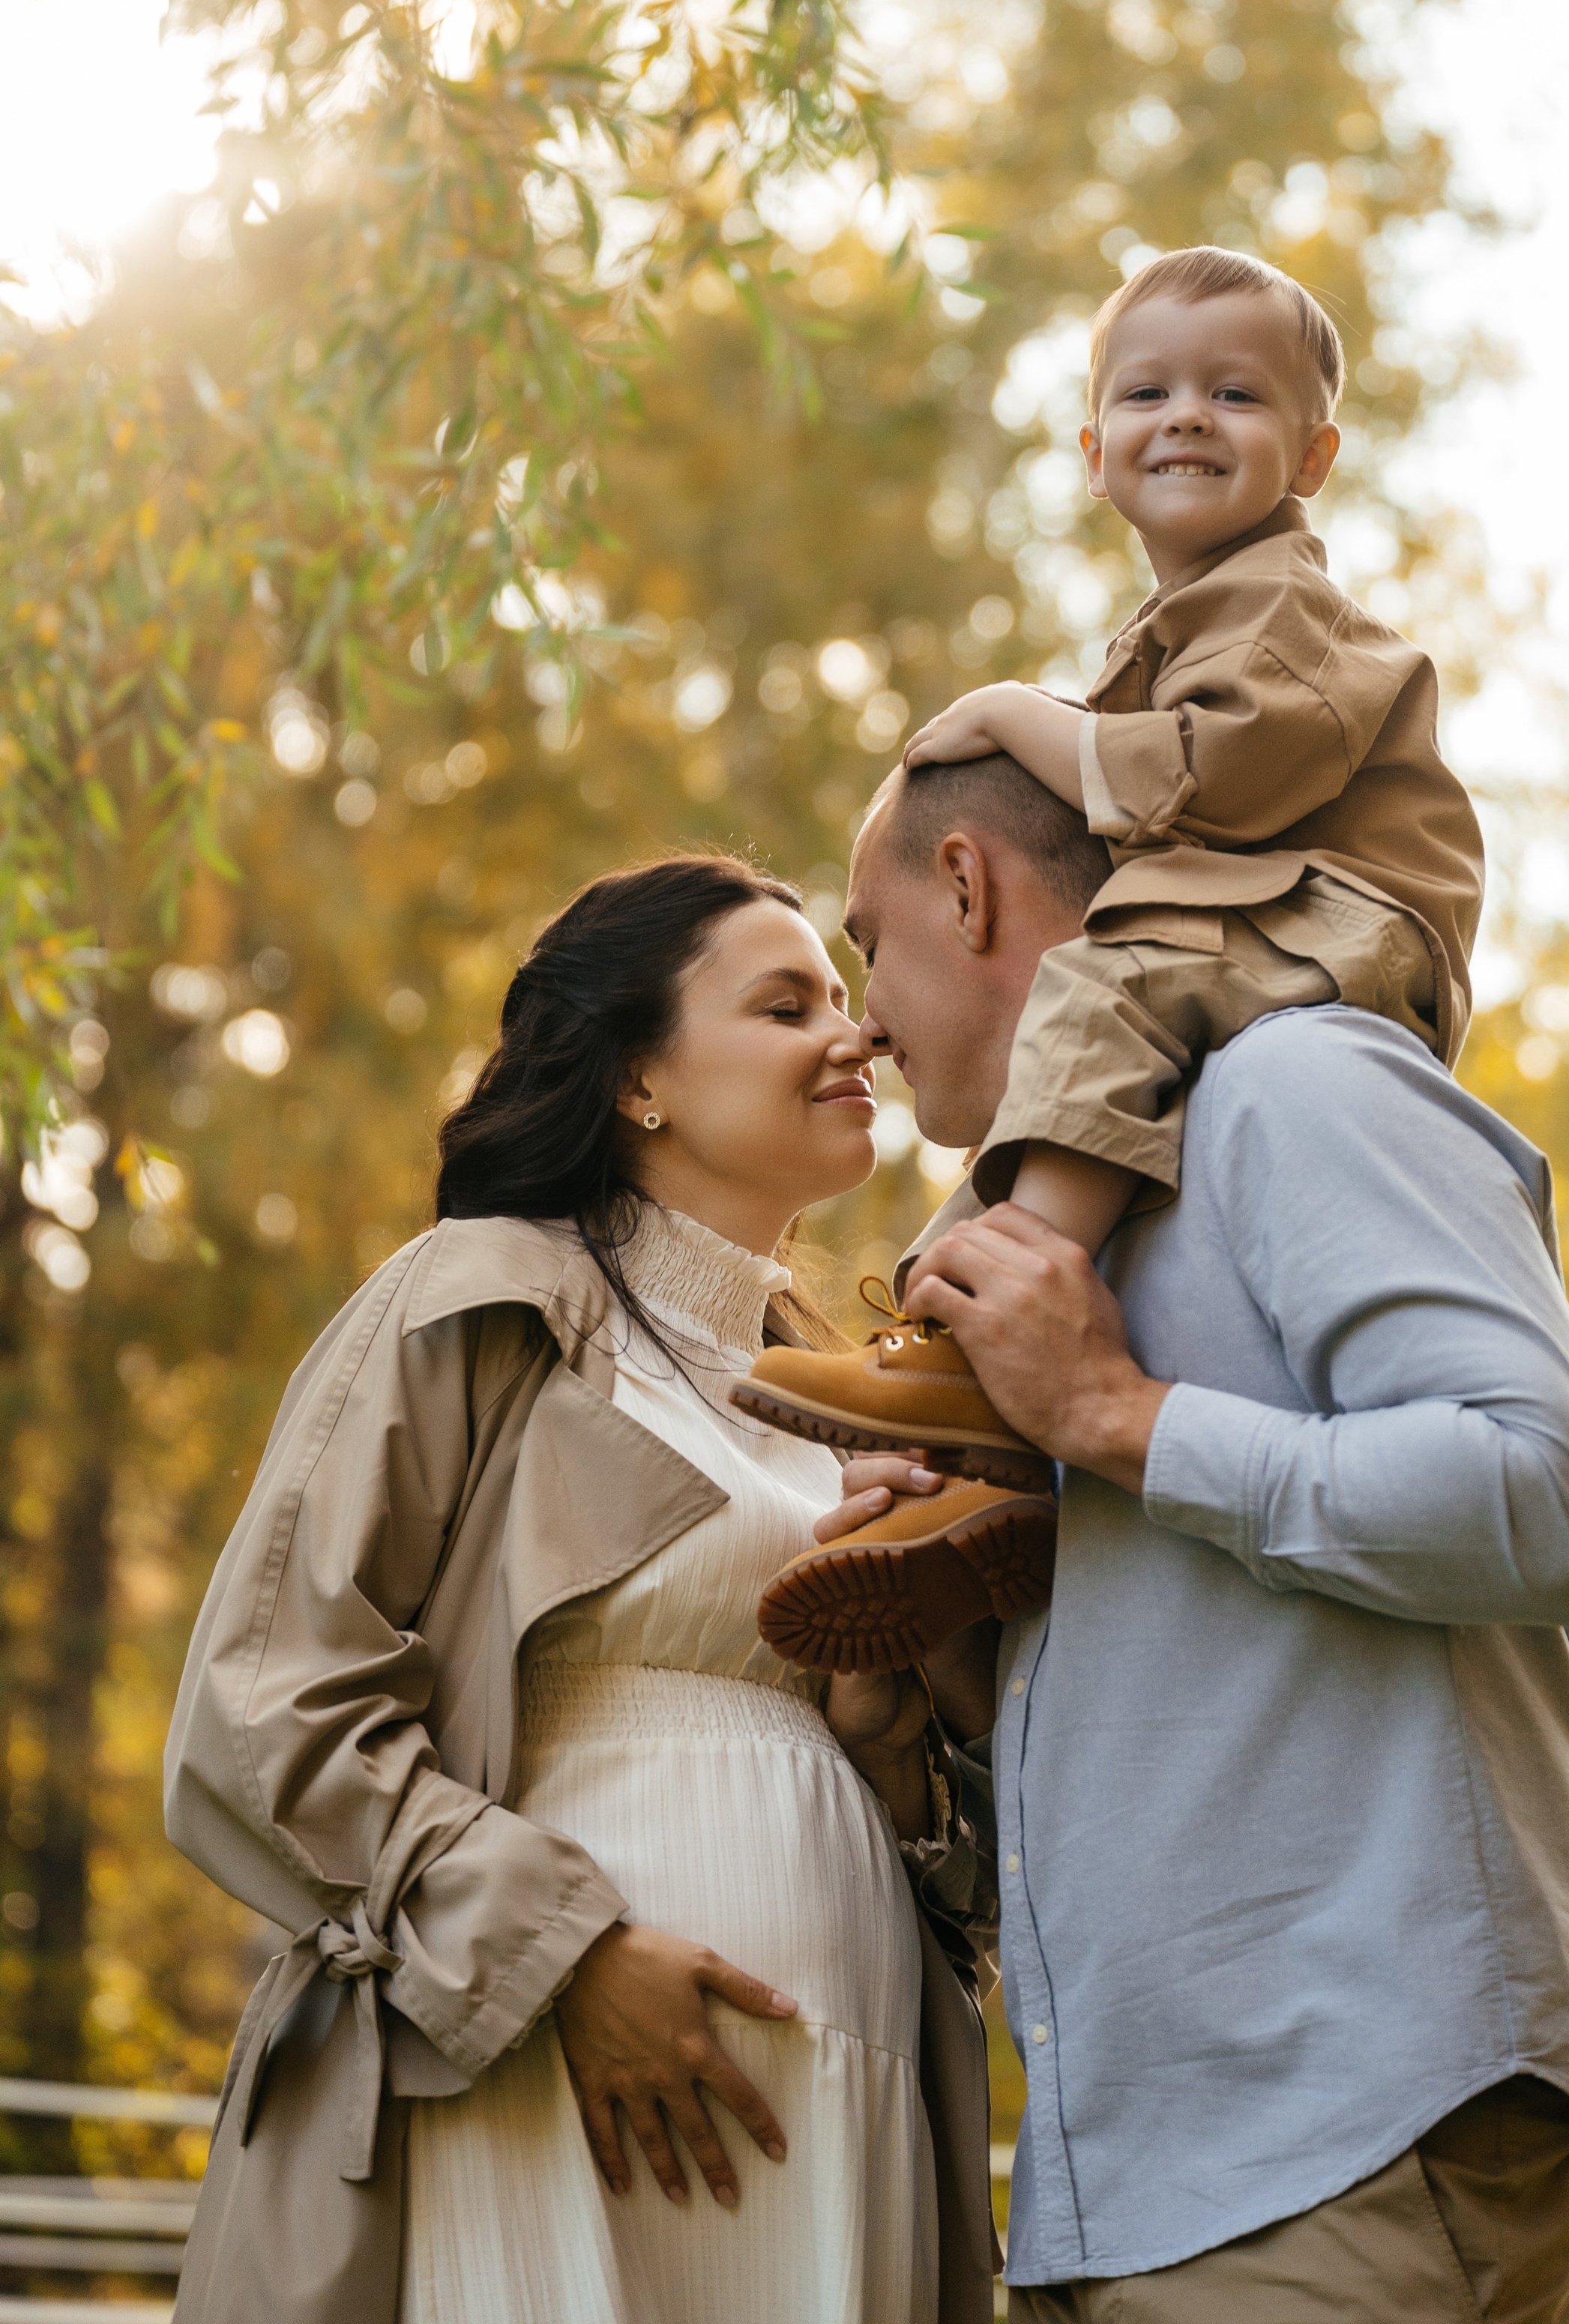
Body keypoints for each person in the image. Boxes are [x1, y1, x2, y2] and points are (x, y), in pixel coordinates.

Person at [800, 755, 1569, 2321]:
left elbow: (1549, 1503)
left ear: (968, 884)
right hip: (1116, 2202)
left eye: (865, 941)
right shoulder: (1044, 1253)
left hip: (1357, 2155)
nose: (857, 1018)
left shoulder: (1296, 1084)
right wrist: (941, 1691)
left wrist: (1117, 1416)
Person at [163, 856, 999, 2324]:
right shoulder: (477, 1300)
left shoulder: (854, 1403)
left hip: (836, 2086)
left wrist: (880, 1737)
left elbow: (972, 1892)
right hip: (540, 2073)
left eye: (845, 998)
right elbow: (259, 1705)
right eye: (783, 1002)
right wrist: (567, 1958)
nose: (852, 1034)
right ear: (638, 1083)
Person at [739, 244, 1484, 1663]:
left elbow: (1220, 778)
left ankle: (990, 1353)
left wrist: (1020, 717)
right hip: (1283, 901)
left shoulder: (1289, 611)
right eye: (1148, 391)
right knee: (1097, 1065)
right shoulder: (1181, 621)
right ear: (1095, 452)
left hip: (1356, 909)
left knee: (1113, 981)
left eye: (1235, 394)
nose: (1188, 416)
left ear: (1315, 453)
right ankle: (971, 1459)